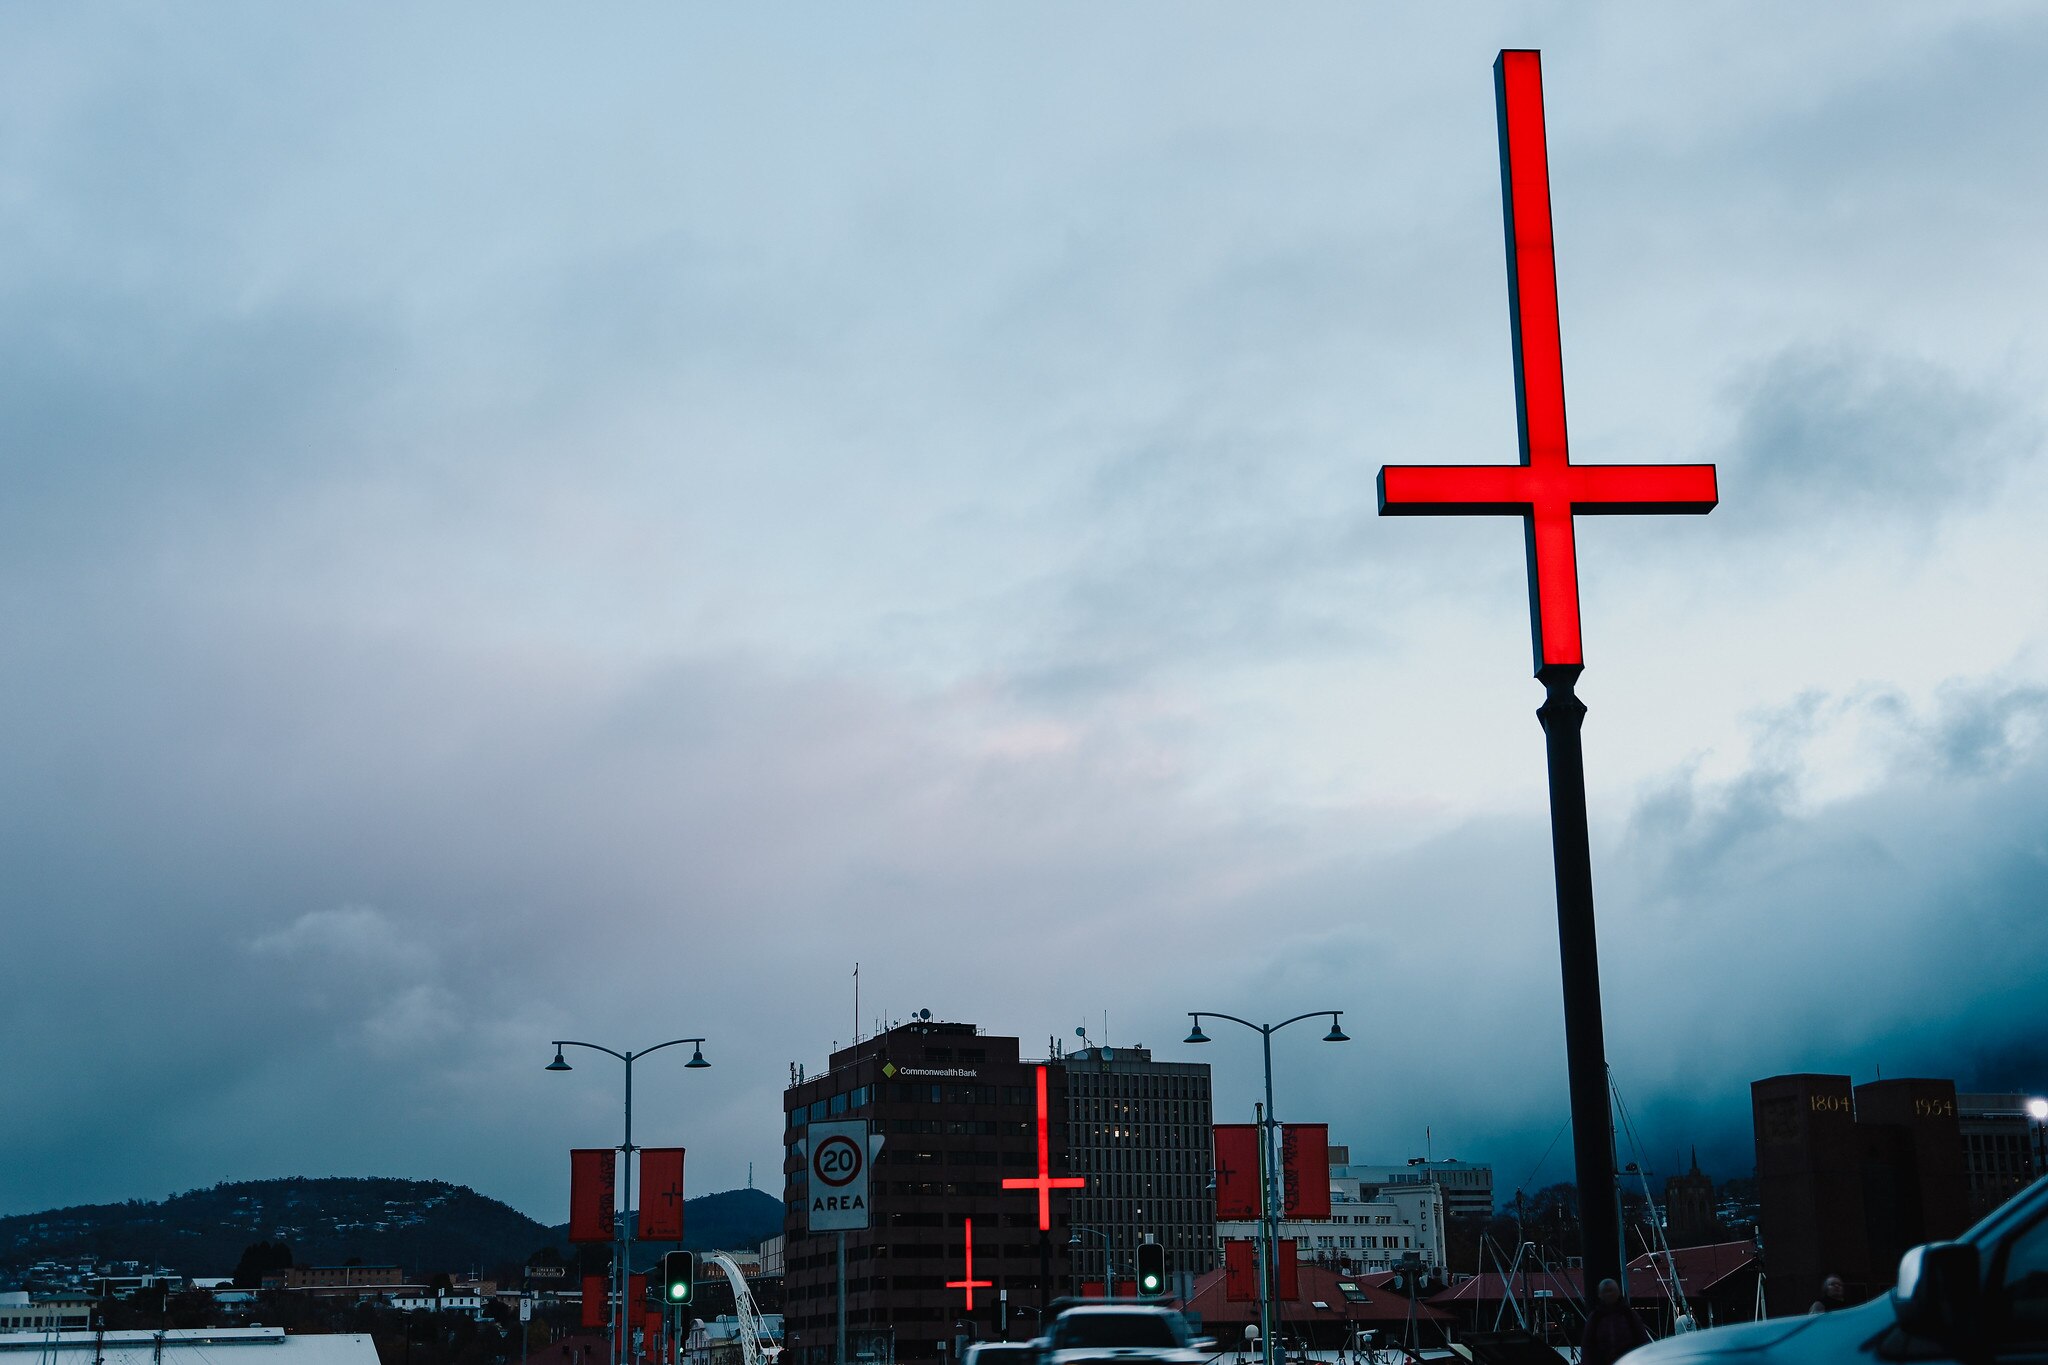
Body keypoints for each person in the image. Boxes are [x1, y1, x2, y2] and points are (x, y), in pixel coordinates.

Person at [1581, 1278, 1653, 1365]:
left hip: (1628, 1361)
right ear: (1600, 1294)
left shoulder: (1629, 1314)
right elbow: (1587, 1345)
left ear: (1618, 1292)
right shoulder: (1595, 1318)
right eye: (1606, 1291)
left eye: (1611, 1290)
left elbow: (1642, 1338)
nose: (1609, 1294)